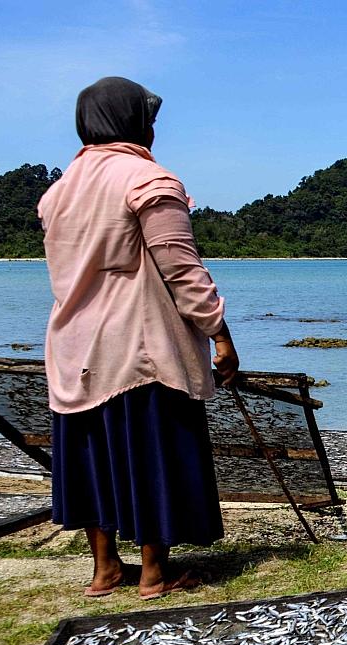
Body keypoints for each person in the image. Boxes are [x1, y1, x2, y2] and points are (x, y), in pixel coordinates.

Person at [39, 77, 239, 599]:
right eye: (148, 118)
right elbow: (181, 268)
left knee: (94, 457)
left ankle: (105, 570)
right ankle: (154, 573)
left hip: (74, 348)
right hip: (139, 348)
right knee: (151, 451)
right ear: (134, 122)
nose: (153, 129)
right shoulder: (149, 180)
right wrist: (218, 331)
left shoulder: (58, 192)